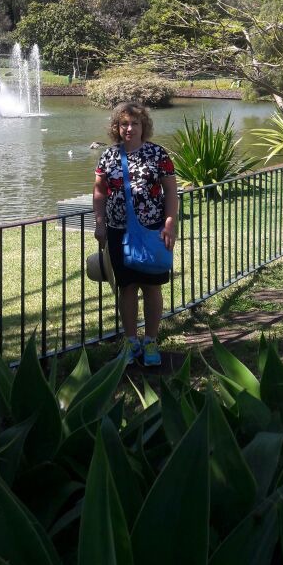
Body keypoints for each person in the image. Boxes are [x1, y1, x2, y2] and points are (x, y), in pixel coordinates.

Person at [93, 101, 178, 367]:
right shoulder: (108, 156)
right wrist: (100, 223)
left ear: (143, 126)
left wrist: (169, 223)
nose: (129, 129)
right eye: (124, 124)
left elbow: (171, 192)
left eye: (134, 123)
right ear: (116, 128)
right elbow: (99, 192)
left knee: (151, 287)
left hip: (152, 231)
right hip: (119, 232)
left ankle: (150, 341)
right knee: (127, 287)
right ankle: (131, 342)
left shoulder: (157, 154)